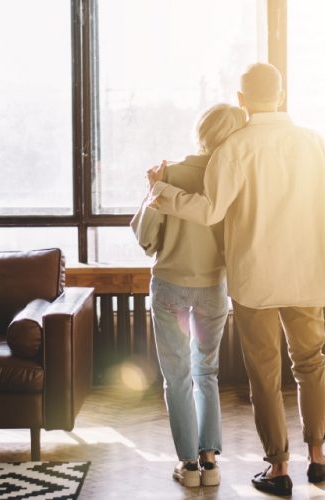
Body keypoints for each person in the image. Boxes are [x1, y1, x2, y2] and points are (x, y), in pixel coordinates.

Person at [148, 63, 325, 497]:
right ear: (282, 92)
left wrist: (163, 193)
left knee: (265, 375)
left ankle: (278, 467)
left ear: (241, 99)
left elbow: (209, 211)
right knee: (311, 365)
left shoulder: (235, 148)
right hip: (309, 273)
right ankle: (317, 457)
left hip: (256, 279)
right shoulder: (316, 143)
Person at [131, 103, 247, 488]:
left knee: (177, 377)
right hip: (214, 287)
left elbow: (147, 239)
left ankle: (188, 466)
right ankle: (210, 462)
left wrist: (153, 189)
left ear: (201, 130)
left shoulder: (170, 175)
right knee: (206, 372)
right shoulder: (233, 178)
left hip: (170, 286)